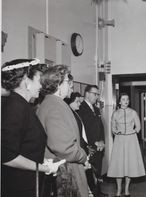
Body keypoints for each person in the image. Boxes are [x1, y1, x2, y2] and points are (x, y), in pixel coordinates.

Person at [1, 59, 64, 197]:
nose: (41, 85)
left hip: (27, 183)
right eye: (38, 79)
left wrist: (41, 160)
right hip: (18, 186)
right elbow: (6, 155)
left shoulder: (22, 105)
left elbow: (25, 145)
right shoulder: (15, 106)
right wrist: (44, 168)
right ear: (26, 81)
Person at [37, 65, 89, 197]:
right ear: (58, 84)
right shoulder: (54, 106)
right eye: (67, 81)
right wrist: (83, 157)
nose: (70, 85)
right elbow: (63, 148)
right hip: (65, 174)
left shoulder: (53, 103)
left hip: (66, 169)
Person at [107, 93, 146, 197]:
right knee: (118, 165)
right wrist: (116, 132)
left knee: (130, 164)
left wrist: (133, 131)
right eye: (123, 99)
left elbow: (138, 127)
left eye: (127, 99)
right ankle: (119, 189)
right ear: (119, 101)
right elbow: (113, 127)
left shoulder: (133, 113)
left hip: (131, 140)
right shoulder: (115, 113)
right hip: (119, 141)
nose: (126, 101)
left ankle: (127, 189)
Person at [78, 84, 105, 196]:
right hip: (89, 147)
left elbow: (100, 127)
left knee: (97, 172)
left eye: (98, 94)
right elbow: (83, 129)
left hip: (99, 146)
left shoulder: (97, 109)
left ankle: (98, 192)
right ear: (87, 94)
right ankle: (92, 193)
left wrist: (102, 141)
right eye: (95, 94)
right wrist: (94, 142)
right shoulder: (81, 107)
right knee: (89, 173)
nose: (97, 97)